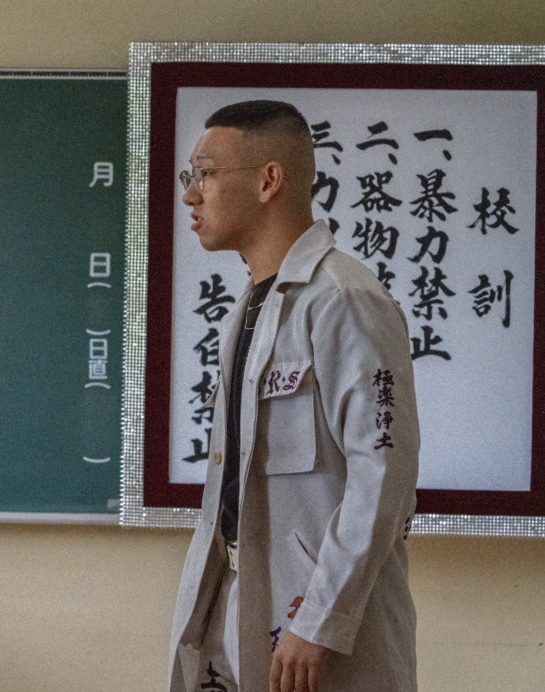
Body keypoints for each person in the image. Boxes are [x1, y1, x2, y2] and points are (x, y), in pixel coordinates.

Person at [167, 100, 419, 692]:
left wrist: (321, 618)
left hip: (316, 622)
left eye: (205, 174)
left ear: (269, 181)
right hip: (238, 596)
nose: (191, 195)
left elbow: (384, 475)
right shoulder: (251, 306)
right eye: (189, 177)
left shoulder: (343, 299)